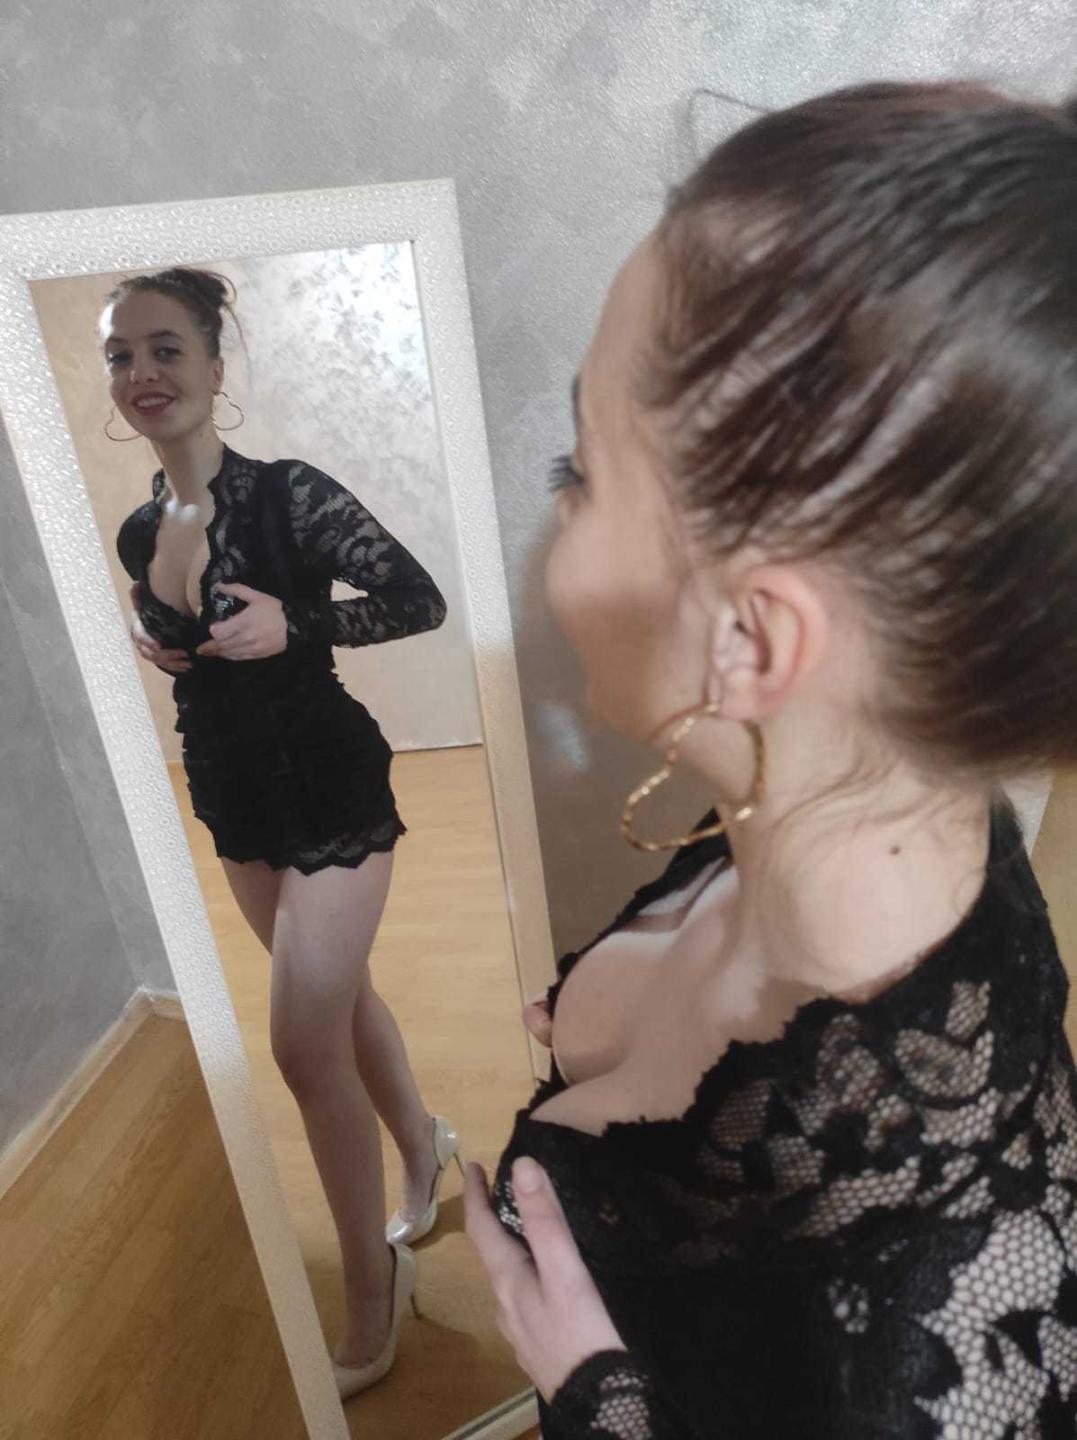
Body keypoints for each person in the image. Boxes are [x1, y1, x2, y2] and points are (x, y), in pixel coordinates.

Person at [465, 81, 1077, 1437]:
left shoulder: (949, 1339)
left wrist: (599, 1397)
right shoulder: (865, 787)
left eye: (577, 471)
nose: (553, 523)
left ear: (751, 642)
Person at [104, 266, 461, 1397]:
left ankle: (373, 1282)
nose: (142, 373)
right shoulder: (140, 526)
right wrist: (162, 641)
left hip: (328, 781)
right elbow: (189, 650)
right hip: (232, 791)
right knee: (340, 1003)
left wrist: (297, 622)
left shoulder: (290, 495)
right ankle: (424, 1144)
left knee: (304, 1048)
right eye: (120, 355)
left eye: (165, 348)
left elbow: (419, 600)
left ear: (215, 364)